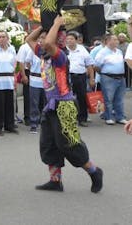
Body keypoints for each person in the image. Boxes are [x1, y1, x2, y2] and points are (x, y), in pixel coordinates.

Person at [25, 16, 103, 193]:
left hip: (64, 106)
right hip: (51, 106)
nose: (42, 40)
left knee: (68, 143)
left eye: (46, 37)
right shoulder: (43, 54)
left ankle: (94, 171)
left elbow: (49, 44)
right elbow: (29, 39)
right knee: (48, 143)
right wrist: (44, 27)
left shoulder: (60, 55)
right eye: (42, 37)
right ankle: (55, 180)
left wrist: (56, 24)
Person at [94, 34, 127, 125]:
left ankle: (120, 117)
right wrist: (104, 74)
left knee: (119, 98)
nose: (117, 41)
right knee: (108, 99)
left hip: (120, 77)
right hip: (108, 78)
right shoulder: (102, 52)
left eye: (117, 40)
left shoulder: (119, 51)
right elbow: (96, 66)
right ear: (108, 41)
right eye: (114, 39)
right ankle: (109, 117)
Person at [65, 31, 94, 126]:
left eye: (71, 39)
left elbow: (89, 64)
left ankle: (82, 119)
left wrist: (91, 79)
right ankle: (69, 118)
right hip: (67, 77)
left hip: (80, 76)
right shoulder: (63, 50)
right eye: (68, 39)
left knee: (82, 98)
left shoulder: (82, 49)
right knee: (67, 98)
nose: (69, 41)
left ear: (76, 40)